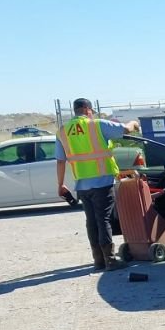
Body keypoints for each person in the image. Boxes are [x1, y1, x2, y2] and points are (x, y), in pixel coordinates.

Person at [55, 98, 139, 270]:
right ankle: (110, 260)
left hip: (82, 185)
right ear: (87, 109)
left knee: (91, 222)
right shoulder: (96, 125)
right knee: (104, 220)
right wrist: (134, 123)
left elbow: (60, 161)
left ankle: (98, 260)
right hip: (102, 181)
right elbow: (125, 129)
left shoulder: (62, 131)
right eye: (91, 111)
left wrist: (61, 185)